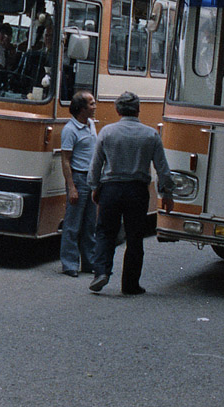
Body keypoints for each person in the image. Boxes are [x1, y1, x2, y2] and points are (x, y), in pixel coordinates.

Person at [88, 91, 173, 296]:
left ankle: (101, 272)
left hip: (111, 189)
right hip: (137, 191)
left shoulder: (107, 132)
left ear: (117, 110)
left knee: (105, 233)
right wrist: (167, 193)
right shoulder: (150, 134)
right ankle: (130, 284)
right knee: (135, 238)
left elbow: (95, 165)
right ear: (138, 110)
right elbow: (163, 169)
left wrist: (94, 187)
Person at [59, 90, 99, 277]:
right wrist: (71, 187)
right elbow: (66, 160)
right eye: (91, 104)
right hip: (79, 178)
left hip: (91, 179)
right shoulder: (70, 130)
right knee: (73, 224)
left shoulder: (91, 124)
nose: (94, 106)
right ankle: (70, 264)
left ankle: (89, 263)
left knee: (90, 224)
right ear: (81, 109)